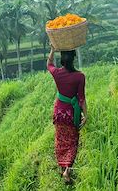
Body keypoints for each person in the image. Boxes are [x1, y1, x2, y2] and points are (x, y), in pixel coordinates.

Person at [47, 44, 87, 184]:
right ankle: (67, 170)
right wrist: (85, 115)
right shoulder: (80, 76)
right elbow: (81, 98)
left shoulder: (57, 73)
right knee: (72, 141)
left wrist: (52, 50)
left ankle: (62, 166)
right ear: (74, 59)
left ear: (63, 60)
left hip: (59, 113)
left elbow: (49, 64)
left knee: (61, 140)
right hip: (71, 114)